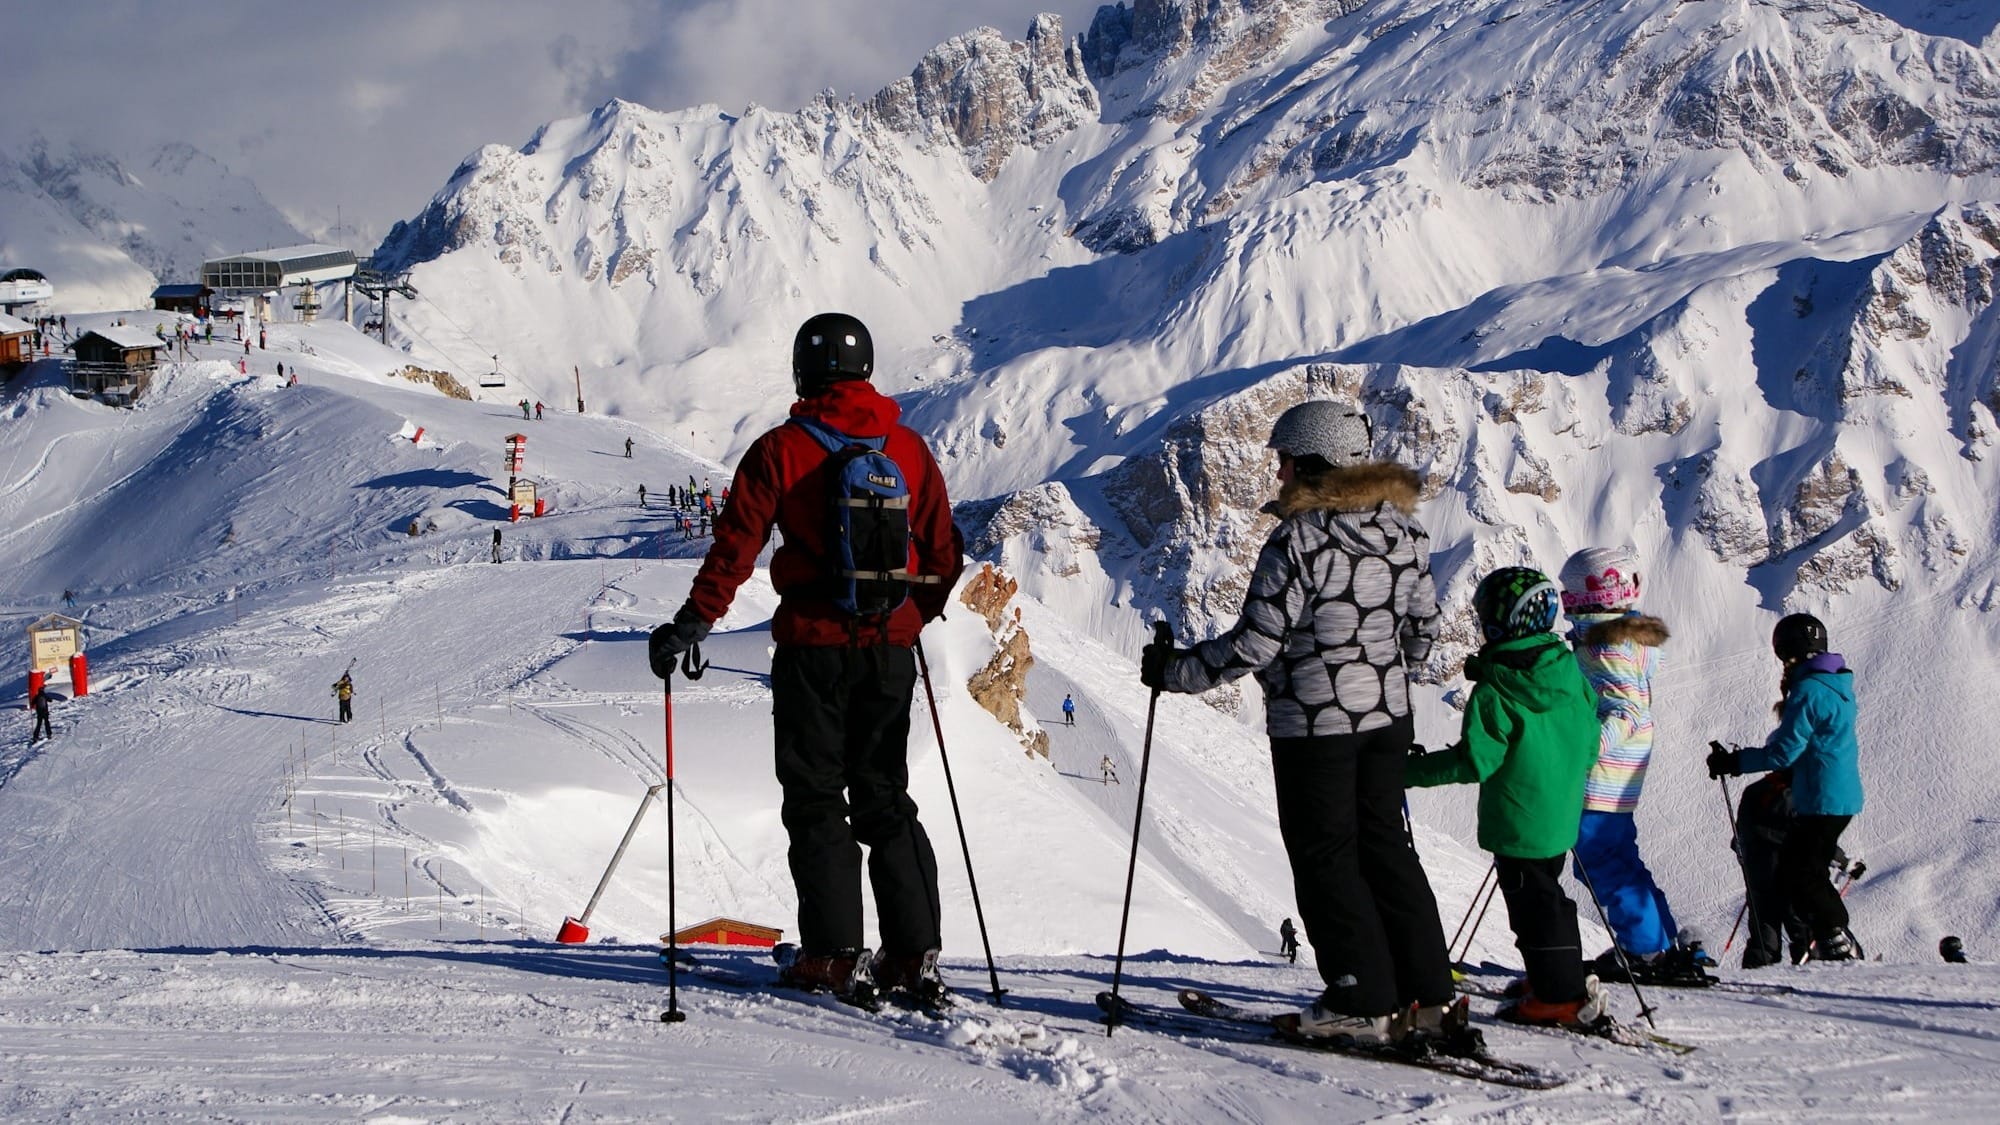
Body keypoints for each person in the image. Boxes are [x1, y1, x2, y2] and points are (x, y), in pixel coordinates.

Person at [649, 312, 963, 1008]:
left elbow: (735, 547)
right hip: (890, 652)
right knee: (886, 797)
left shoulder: (780, 451)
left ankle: (831, 955)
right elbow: (944, 554)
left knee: (818, 799)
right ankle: (913, 956)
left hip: (811, 654)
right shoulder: (907, 448)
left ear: (803, 372)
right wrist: (909, 616)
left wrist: (692, 623)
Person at [1141, 400, 1460, 1045]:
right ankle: (1432, 998)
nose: (1278, 475)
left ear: (1315, 463)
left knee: (1327, 861)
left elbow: (1256, 645)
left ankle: (1360, 998)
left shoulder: (1301, 539)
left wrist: (1172, 671)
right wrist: (1383, 676)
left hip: (1316, 729)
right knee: (1387, 852)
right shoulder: (1404, 532)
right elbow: (1425, 632)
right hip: (1388, 720)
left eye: (1286, 462)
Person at [1406, 566, 1610, 1030]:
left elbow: (1474, 763)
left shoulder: (1496, 690)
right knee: (1548, 897)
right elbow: (1590, 739)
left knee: (1533, 910)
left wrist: (1407, 772)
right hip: (1559, 816)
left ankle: (1559, 996)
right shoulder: (1569, 672)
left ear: (1499, 624)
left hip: (1517, 823)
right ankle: (1552, 977)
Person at [1557, 547, 1703, 984]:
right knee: (1620, 855)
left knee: (1599, 859)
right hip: (1623, 772)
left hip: (1601, 774)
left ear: (1591, 593)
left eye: (1571, 590)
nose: (1566, 598)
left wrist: (1583, 749)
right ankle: (1660, 939)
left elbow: (1625, 710)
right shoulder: (1624, 640)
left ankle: (1643, 949)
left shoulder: (1606, 645)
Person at [1708, 613, 1863, 963]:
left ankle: (1835, 937)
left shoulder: (1808, 691)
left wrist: (1734, 763)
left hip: (1822, 796)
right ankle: (1828, 939)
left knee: (1802, 873)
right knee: (1804, 868)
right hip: (1835, 793)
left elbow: (1784, 752)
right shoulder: (1835, 684)